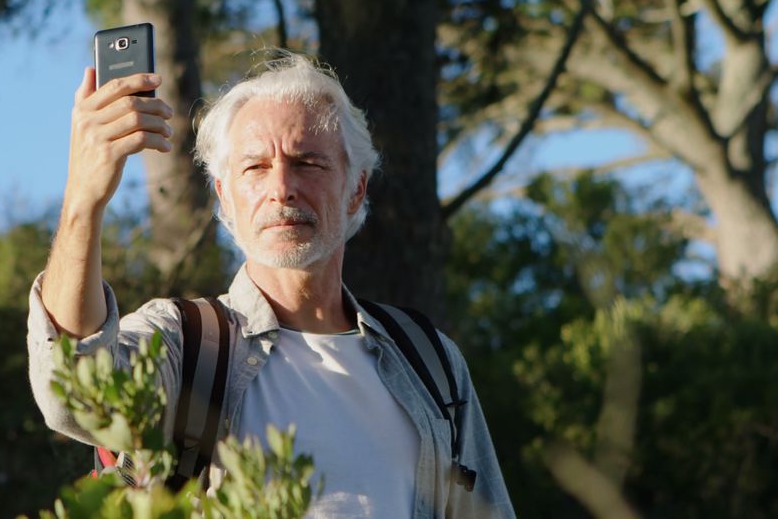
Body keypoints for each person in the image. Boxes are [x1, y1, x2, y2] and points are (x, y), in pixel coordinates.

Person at [27, 53, 515, 517]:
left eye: (307, 163)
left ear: (356, 188)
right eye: (255, 167)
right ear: (225, 196)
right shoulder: (183, 341)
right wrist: (83, 200)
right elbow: (72, 396)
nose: (281, 186)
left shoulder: (428, 361)